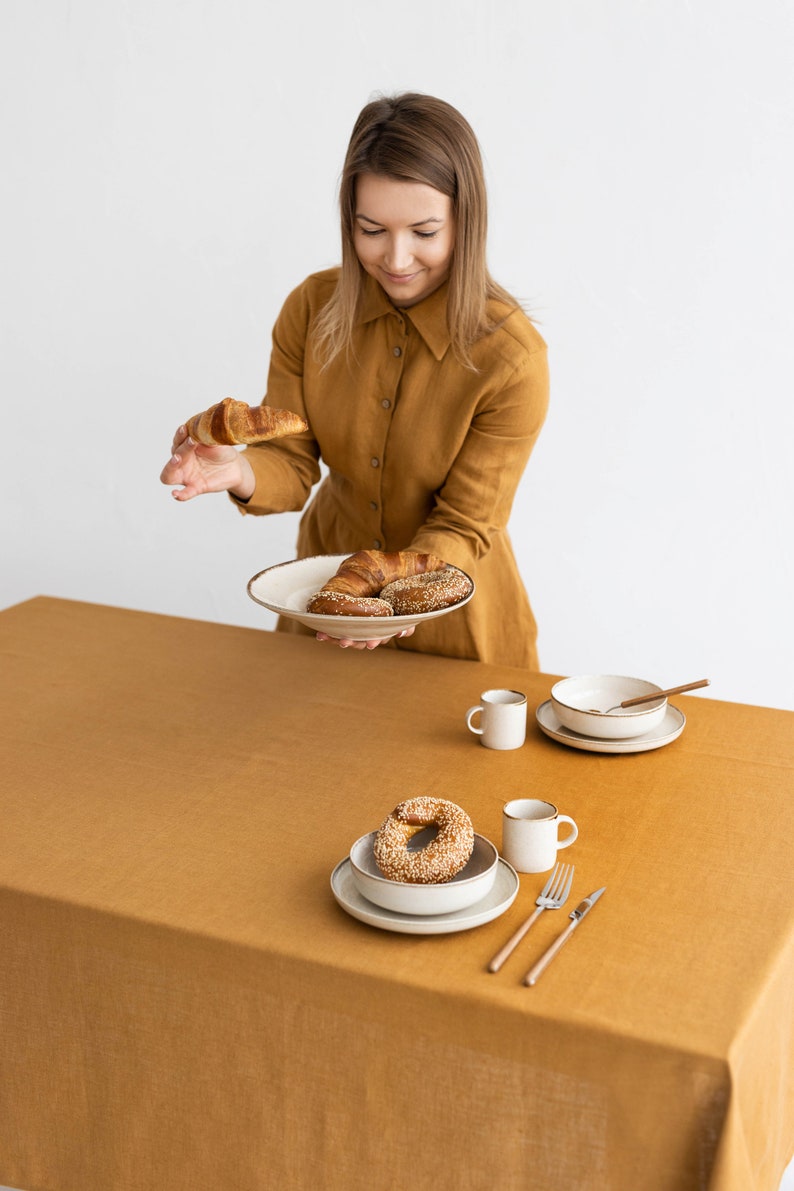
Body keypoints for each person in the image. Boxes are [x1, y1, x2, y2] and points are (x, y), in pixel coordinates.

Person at [160, 92, 549, 667]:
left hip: (454, 623)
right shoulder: (311, 310)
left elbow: (465, 525)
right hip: (325, 613)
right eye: (372, 229)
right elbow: (292, 465)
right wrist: (236, 469)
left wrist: (392, 605)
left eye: (424, 232)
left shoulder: (511, 359)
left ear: (466, 220)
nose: (396, 258)